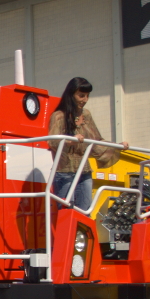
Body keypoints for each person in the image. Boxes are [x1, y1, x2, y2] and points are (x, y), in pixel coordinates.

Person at [48, 77, 128, 212]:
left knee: (85, 212)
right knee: (66, 213)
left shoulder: (86, 115)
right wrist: (70, 140)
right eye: (81, 95)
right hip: (64, 172)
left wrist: (117, 145)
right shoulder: (58, 116)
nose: (84, 100)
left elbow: (96, 139)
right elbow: (52, 141)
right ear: (71, 94)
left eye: (87, 96)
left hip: (84, 171)